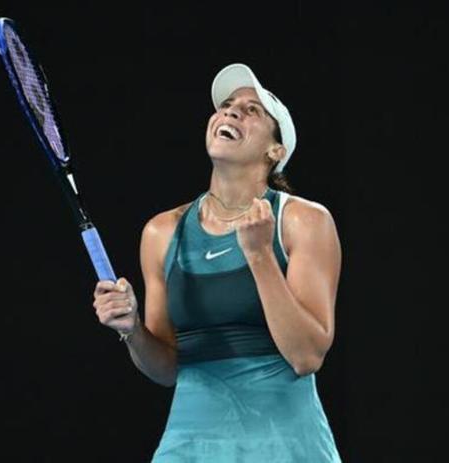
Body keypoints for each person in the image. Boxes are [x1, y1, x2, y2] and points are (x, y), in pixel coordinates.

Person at [92, 63, 342, 462]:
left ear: (274, 151)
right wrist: (132, 330)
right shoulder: (162, 232)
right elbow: (166, 368)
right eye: (227, 105)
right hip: (190, 447)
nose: (230, 112)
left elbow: (306, 356)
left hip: (286, 447)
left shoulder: (304, 221)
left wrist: (260, 256)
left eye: (251, 110)